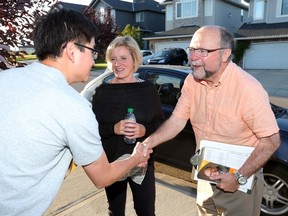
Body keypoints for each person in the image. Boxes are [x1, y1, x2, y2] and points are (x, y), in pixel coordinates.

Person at [0, 10, 152, 216]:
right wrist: (135, 158)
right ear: (72, 51)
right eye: (92, 51)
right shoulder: (73, 106)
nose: (93, 60)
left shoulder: (6, 78)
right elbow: (102, 177)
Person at [142, 25, 280, 216]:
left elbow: (271, 141)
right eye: (192, 50)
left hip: (238, 184)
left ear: (225, 55)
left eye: (203, 51)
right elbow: (176, 121)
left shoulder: (249, 89)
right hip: (206, 174)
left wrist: (238, 177)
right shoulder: (192, 81)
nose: (193, 58)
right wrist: (148, 143)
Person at [91, 36, 164, 216]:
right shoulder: (101, 92)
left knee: (146, 211)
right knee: (116, 212)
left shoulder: (148, 90)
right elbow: (91, 132)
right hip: (112, 163)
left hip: (142, 163)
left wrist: (144, 130)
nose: (118, 64)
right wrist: (113, 129)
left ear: (134, 60)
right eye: (113, 59)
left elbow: (160, 125)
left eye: (123, 58)